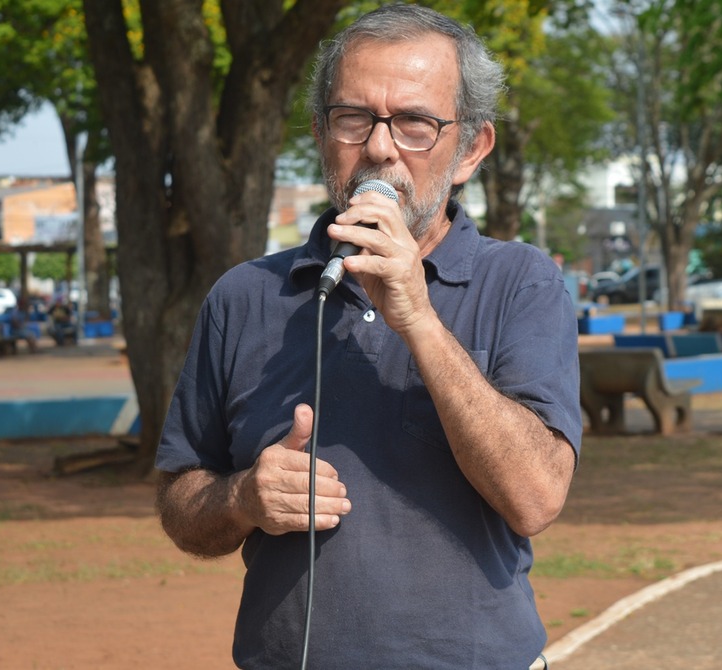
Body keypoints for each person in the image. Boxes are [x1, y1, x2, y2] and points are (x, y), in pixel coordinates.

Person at [155, 5, 581, 669]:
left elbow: (536, 498)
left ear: (470, 149)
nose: (380, 148)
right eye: (355, 118)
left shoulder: (522, 284)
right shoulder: (242, 298)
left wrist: (418, 318)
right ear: (323, 134)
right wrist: (242, 498)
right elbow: (181, 503)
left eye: (415, 122)